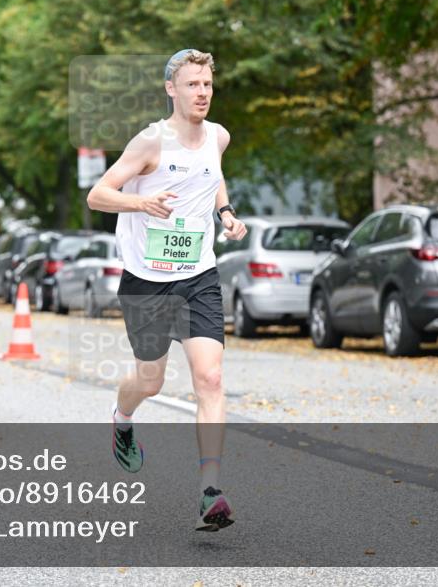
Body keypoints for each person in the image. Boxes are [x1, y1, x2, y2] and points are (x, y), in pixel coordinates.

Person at [87, 49, 247, 532]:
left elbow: (213, 177)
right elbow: (97, 195)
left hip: (197, 275)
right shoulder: (150, 142)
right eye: (192, 84)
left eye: (207, 84)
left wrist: (226, 214)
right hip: (146, 281)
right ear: (171, 89)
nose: (202, 92)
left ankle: (210, 491)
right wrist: (141, 202)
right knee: (151, 380)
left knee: (211, 380)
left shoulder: (218, 136)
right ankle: (122, 417)